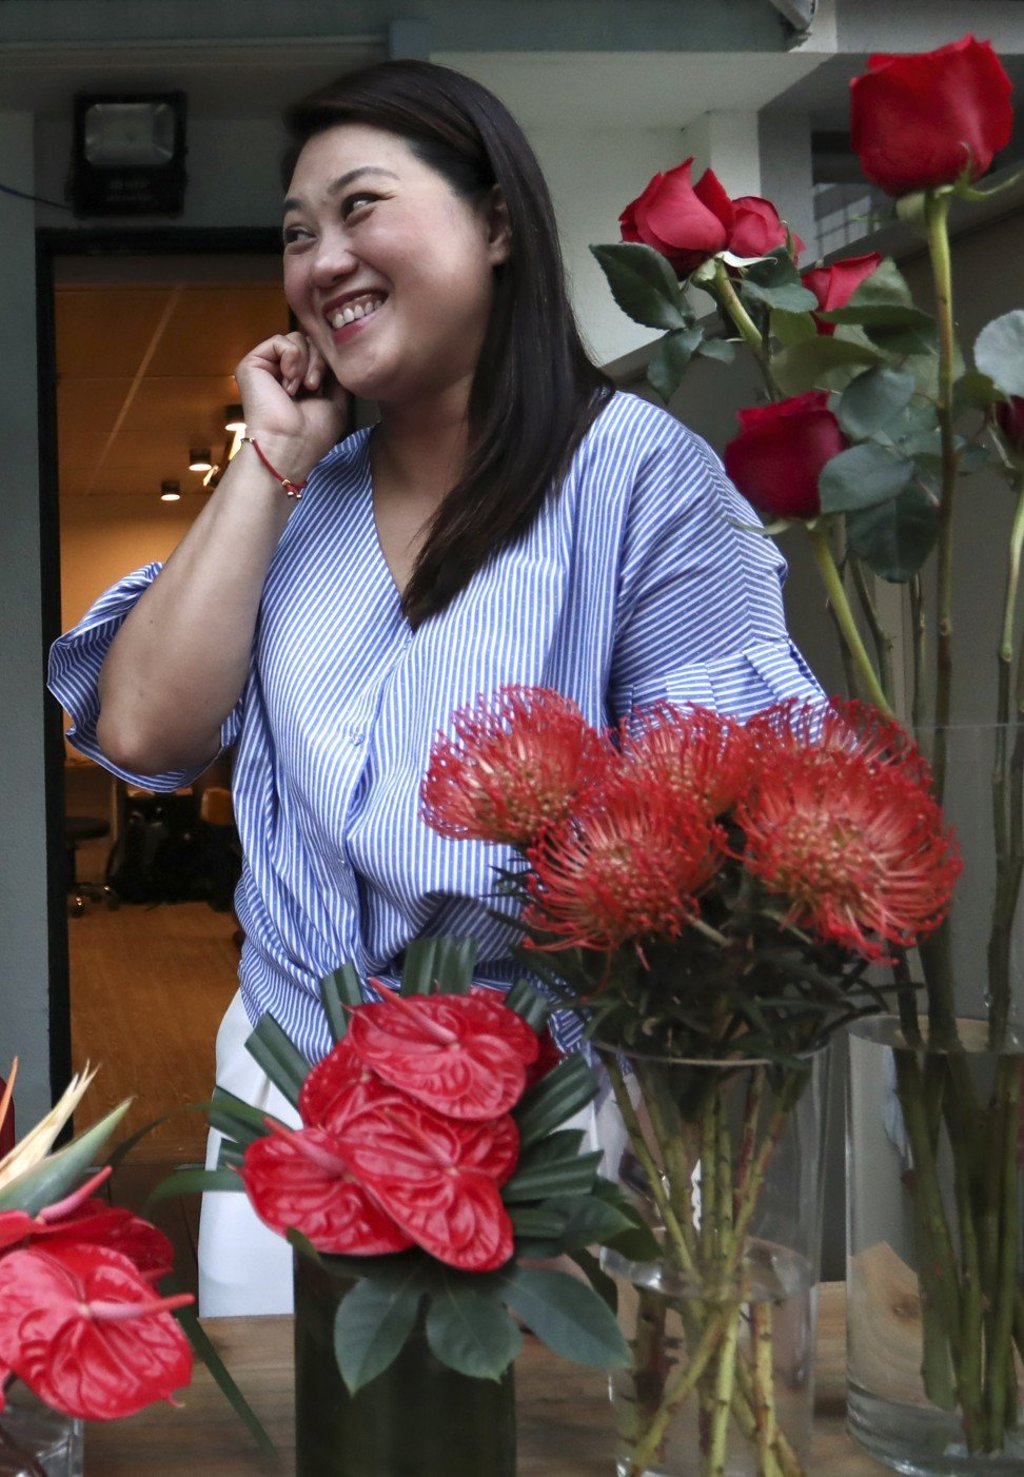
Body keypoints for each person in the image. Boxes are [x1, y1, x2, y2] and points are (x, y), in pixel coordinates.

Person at [48, 60, 822, 1316]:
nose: (321, 258)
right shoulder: (307, 502)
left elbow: (729, 828)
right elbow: (141, 729)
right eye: (297, 234)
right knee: (287, 1417)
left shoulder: (633, 477)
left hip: (541, 1105)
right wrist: (267, 468)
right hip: (293, 1078)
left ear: (497, 222)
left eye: (361, 207)